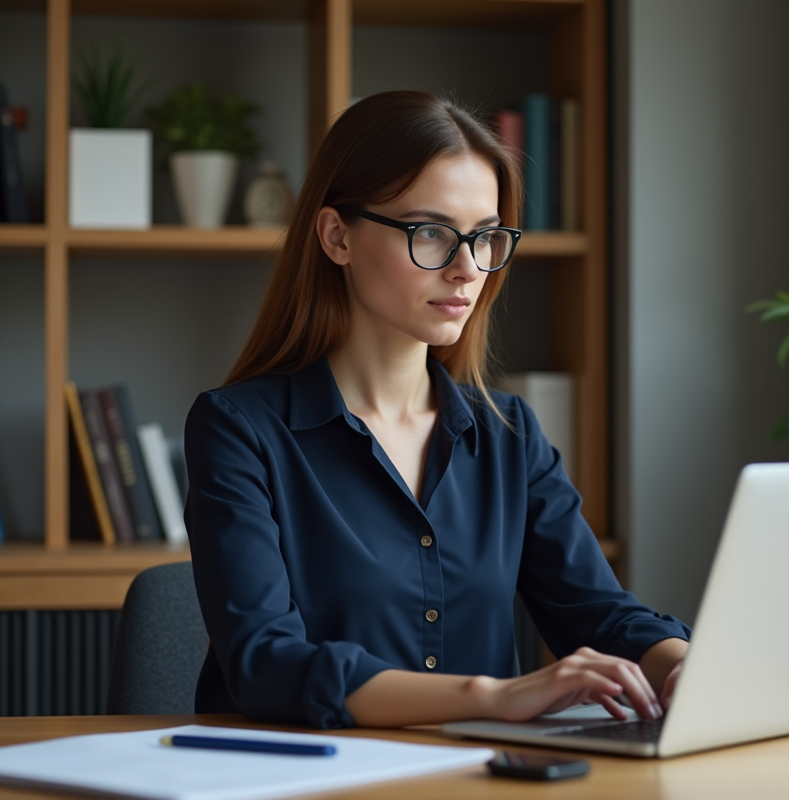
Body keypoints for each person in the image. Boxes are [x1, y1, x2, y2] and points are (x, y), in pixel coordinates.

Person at [185, 90, 690, 730]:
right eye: (431, 232)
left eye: (484, 237)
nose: (466, 269)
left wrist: (683, 662)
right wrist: (493, 697)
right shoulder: (238, 429)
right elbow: (267, 664)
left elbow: (598, 614)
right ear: (337, 235)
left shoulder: (509, 433)